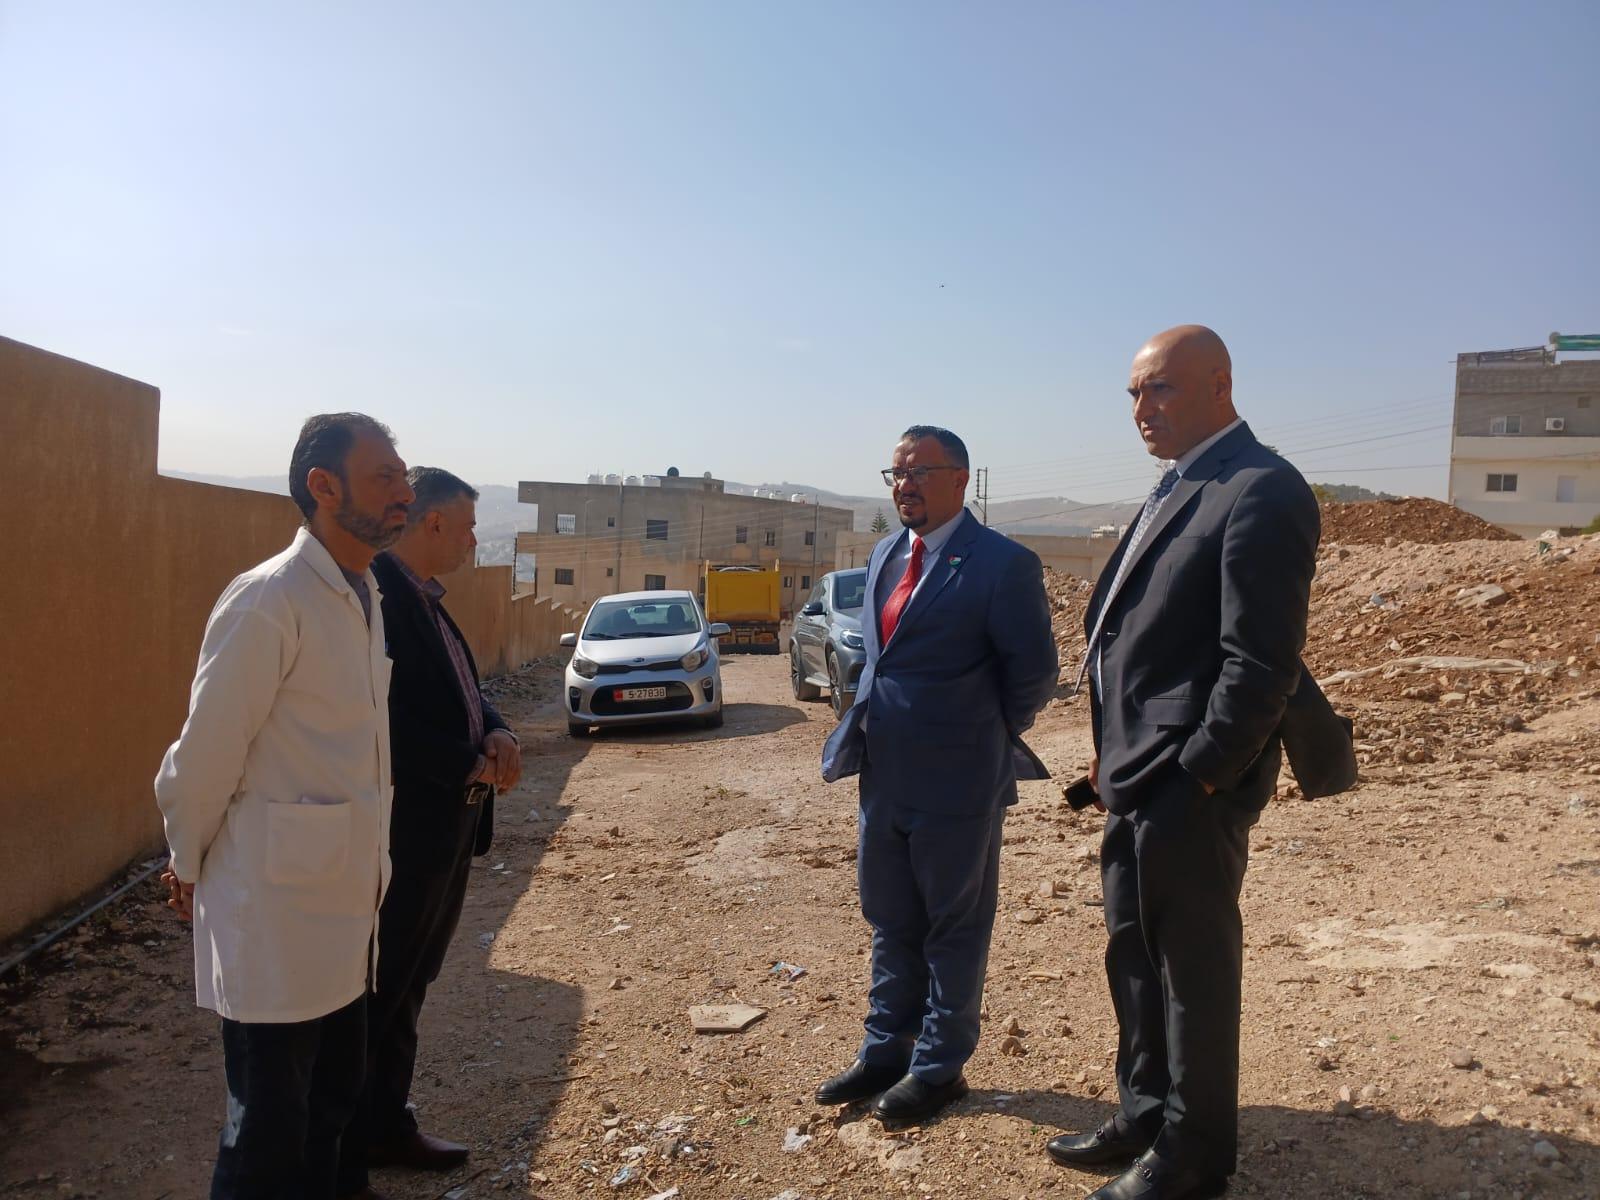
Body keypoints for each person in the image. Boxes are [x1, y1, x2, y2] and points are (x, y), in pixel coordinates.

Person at [1045, 327, 1319, 1200]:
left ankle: (1193, 1157)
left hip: (1190, 784)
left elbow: (1261, 665)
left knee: (1192, 971)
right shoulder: (1182, 484)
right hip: (1135, 773)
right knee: (1133, 953)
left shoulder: (1260, 488)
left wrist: (1199, 775)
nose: (1141, 409)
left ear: (1218, 384)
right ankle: (1145, 1114)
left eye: (1159, 388)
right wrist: (1112, 758)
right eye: (1133, 393)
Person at [155, 413, 414, 1200]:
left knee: (329, 1117)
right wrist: (187, 861)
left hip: (345, 913)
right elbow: (203, 756)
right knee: (265, 1139)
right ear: (323, 487)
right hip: (275, 917)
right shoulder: (270, 597)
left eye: (404, 477)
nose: (404, 492)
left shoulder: (364, 592)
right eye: (384, 477)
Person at [818, 425, 1057, 1123]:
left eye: (919, 472)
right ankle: (884, 1051)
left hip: (959, 778)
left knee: (954, 925)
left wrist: (976, 730)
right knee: (890, 917)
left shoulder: (1003, 564)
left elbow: (1033, 675)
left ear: (960, 479)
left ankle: (938, 1067)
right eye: (896, 473)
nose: (905, 485)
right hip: (884, 772)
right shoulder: (887, 553)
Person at [337, 467, 522, 1199]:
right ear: (435, 523)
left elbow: (459, 690)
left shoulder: (422, 599)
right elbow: (378, 714)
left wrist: (497, 728)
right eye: (469, 527)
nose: (475, 541)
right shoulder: (375, 595)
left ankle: (387, 1124)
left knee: (411, 983)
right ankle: (346, 1158)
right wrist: (464, 760)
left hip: (447, 825)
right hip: (404, 830)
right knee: (378, 992)